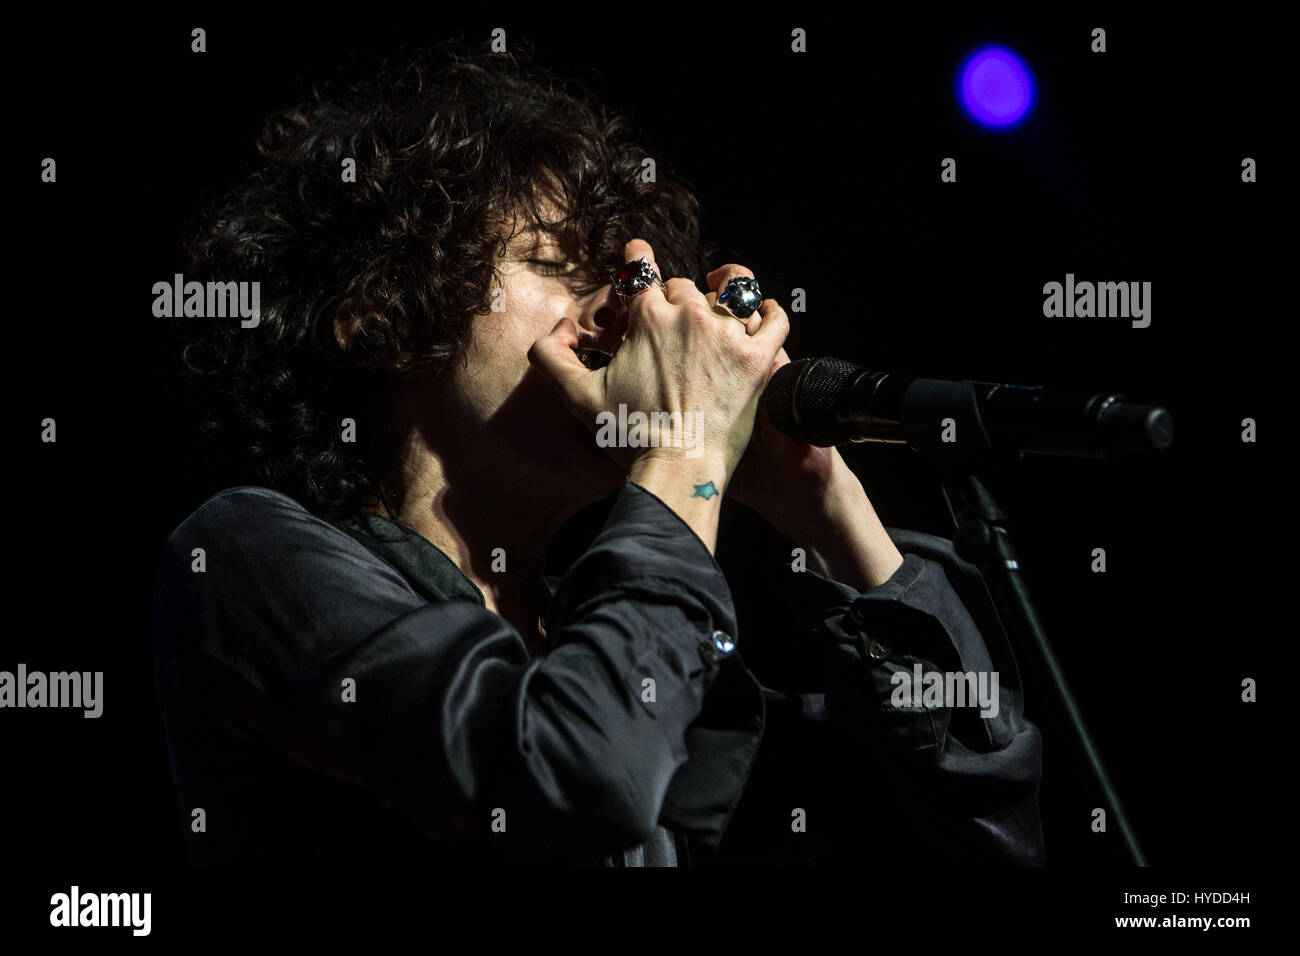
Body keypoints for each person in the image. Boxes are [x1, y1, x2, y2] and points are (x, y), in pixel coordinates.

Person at [153, 43, 1045, 866]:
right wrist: (684, 449)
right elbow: (577, 771)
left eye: (621, 278)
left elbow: (991, 844)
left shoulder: (626, 630)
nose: (622, 312)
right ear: (386, 324)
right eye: (552, 263)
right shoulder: (244, 553)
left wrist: (828, 506)